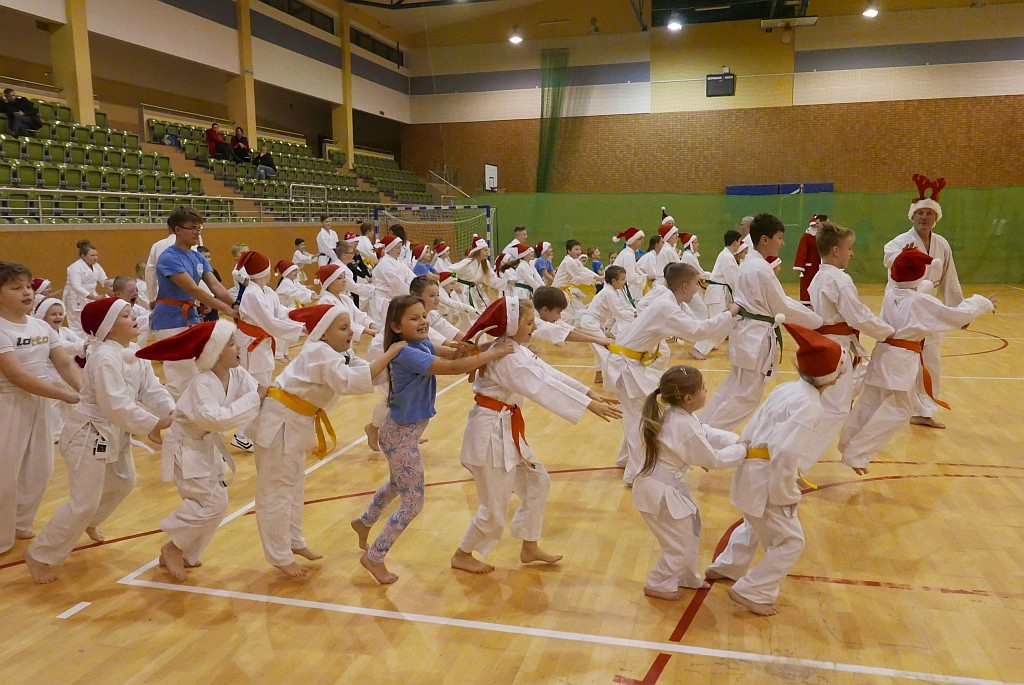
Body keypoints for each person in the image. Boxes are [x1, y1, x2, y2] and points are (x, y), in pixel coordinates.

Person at [451, 297, 622, 575]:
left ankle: (529, 545)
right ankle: (462, 553)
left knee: (537, 482)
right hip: (490, 438)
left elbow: (547, 373)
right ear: (510, 326)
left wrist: (587, 392)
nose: (534, 327)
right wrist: (587, 404)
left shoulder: (514, 349)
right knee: (494, 510)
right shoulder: (508, 356)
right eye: (529, 323)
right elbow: (540, 386)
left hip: (505, 430)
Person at [352, 296, 514, 584]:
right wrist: (492, 354)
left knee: (395, 484)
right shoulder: (407, 354)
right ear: (396, 327)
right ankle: (374, 557)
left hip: (402, 433)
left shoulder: (420, 345)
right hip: (401, 435)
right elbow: (453, 368)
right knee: (413, 503)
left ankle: (364, 522)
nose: (423, 321)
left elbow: (452, 356)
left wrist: (482, 346)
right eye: (413, 318)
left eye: (423, 315)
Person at [26, 298, 174, 583]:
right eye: (126, 315)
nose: (134, 318)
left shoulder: (132, 353)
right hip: (88, 434)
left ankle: (87, 522)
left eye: (133, 314)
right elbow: (114, 404)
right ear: (108, 327)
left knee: (124, 481)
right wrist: (152, 424)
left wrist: (171, 412)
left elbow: (151, 389)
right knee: (83, 501)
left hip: (114, 432)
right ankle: (40, 554)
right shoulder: (105, 356)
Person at [705, 324, 846, 616]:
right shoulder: (810, 407)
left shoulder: (786, 389)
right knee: (791, 542)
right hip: (768, 481)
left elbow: (755, 426)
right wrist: (785, 493)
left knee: (753, 525)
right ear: (833, 377)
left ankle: (728, 567)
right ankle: (753, 590)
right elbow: (785, 451)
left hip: (752, 470)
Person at [252, 304, 402, 577]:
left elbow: (368, 372)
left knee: (293, 487)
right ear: (323, 333)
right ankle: (278, 555)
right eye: (343, 328)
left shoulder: (338, 352)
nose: (350, 333)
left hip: (297, 423)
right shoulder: (317, 352)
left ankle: (294, 542)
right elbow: (349, 382)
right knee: (276, 492)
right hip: (279, 423)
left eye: (349, 327)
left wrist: (398, 362)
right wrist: (391, 353)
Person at [837, 247, 994, 475]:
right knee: (900, 409)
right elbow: (956, 316)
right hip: (900, 360)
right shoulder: (919, 301)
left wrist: (917, 276)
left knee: (869, 403)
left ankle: (847, 443)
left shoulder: (891, 294)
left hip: (882, 354)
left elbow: (915, 288)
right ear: (920, 274)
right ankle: (857, 453)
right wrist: (982, 303)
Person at [136, 320, 264, 581]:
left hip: (205, 445)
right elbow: (216, 419)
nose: (238, 346)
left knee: (216, 502)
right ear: (213, 353)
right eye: (230, 343)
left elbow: (260, 395)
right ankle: (173, 547)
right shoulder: (203, 382)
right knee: (210, 502)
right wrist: (256, 398)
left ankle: (184, 552)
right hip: (186, 447)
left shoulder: (237, 374)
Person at [608, 263, 739, 484]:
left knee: (639, 414)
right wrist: (730, 313)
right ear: (685, 286)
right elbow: (697, 331)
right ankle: (636, 474)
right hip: (626, 365)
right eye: (697, 283)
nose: (699, 288)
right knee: (638, 420)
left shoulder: (665, 297)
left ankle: (626, 459)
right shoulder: (666, 307)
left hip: (632, 362)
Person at [700, 213, 823, 431]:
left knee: (731, 390)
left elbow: (781, 301)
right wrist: (817, 321)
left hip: (745, 335)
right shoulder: (760, 268)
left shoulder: (750, 264)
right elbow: (782, 307)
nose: (783, 243)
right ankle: (705, 437)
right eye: (780, 237)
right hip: (754, 339)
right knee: (746, 398)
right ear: (764, 239)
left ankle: (700, 429)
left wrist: (812, 317)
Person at [633, 366, 747, 600]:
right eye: (703, 388)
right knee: (680, 544)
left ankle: (685, 576)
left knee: (692, 528)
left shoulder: (680, 415)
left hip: (667, 487)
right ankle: (658, 582)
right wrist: (743, 449)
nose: (707, 391)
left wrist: (738, 440)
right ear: (688, 398)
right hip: (659, 492)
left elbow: (704, 433)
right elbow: (713, 459)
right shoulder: (681, 425)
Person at [0, 262, 81, 555]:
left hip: (39, 401)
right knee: (5, 472)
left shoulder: (41, 326)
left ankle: (20, 521)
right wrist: (66, 396)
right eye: (15, 287)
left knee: (40, 467)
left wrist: (87, 393)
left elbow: (64, 363)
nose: (26, 293)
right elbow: (17, 376)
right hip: (7, 403)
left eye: (27, 286)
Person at [806, 222, 894, 459]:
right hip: (836, 348)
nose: (852, 253)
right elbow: (858, 316)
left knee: (829, 402)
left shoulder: (818, 277)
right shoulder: (839, 280)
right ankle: (797, 462)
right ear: (836, 250)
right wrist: (888, 332)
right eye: (849, 248)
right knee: (836, 409)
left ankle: (797, 458)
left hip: (825, 344)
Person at [882, 174, 964, 429]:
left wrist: (959, 311)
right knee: (899, 360)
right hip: (905, 308)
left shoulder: (942, 245)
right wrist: (905, 257)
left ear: (936, 218)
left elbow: (950, 278)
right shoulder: (899, 242)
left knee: (931, 361)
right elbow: (890, 260)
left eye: (930, 213)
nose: (925, 217)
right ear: (912, 216)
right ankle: (891, 406)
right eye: (921, 213)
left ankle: (924, 411)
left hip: (929, 310)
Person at [150, 206, 238, 399]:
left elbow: (214, 285)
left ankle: (191, 413)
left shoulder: (197, 256)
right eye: (192, 228)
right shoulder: (169, 257)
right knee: (180, 376)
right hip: (168, 321)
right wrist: (225, 309)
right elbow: (193, 289)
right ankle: (165, 415)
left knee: (198, 368)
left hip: (190, 318)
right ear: (177, 229)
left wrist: (235, 304)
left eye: (200, 228)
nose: (197, 232)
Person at [33, 297, 87, 443]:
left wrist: (85, 344)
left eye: (60, 313)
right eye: (53, 314)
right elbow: (63, 346)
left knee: (66, 401)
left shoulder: (65, 330)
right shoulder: (42, 333)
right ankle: (55, 432)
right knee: (53, 403)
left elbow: (76, 341)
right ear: (43, 316)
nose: (58, 317)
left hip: (65, 370)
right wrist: (81, 347)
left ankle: (67, 428)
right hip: (48, 372)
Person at [692, 230, 745, 359]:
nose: (740, 244)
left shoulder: (726, 255)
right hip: (718, 294)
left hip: (720, 293)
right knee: (719, 323)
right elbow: (732, 280)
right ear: (734, 243)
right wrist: (742, 295)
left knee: (725, 323)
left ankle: (712, 344)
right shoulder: (727, 257)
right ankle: (698, 349)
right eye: (739, 242)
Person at [580, 265, 636, 385]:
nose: (624, 282)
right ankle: (617, 379)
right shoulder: (608, 293)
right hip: (591, 323)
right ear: (614, 281)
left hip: (593, 323)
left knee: (598, 352)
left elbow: (625, 306)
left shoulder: (615, 291)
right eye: (622, 279)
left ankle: (598, 376)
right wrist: (636, 317)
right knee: (605, 350)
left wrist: (636, 313)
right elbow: (619, 312)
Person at [316, 263, 377, 343]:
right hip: (332, 344)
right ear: (329, 282)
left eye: (344, 277)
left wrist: (372, 325)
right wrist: (368, 331)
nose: (344, 280)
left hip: (345, 343)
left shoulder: (345, 298)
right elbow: (341, 325)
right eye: (339, 278)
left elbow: (359, 315)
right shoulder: (326, 301)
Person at [63, 240, 112, 335]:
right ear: (83, 256)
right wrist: (93, 297)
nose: (95, 258)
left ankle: (91, 344)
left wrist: (114, 285)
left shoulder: (96, 266)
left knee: (92, 320)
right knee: (77, 325)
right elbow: (76, 286)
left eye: (96, 255)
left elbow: (104, 280)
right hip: (75, 297)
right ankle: (78, 347)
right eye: (92, 255)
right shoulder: (74, 267)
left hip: (91, 295)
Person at [551, 240, 602, 325]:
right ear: (569, 251)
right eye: (576, 249)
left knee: (575, 312)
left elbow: (584, 270)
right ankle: (562, 332)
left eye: (579, 249)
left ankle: (572, 330)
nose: (579, 251)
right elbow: (579, 276)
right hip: (558, 291)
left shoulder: (575, 261)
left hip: (563, 291)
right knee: (567, 314)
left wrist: (598, 278)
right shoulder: (568, 261)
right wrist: (597, 278)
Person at [370, 234, 416, 326]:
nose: (400, 250)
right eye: (397, 248)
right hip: (383, 301)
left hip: (395, 298)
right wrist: (411, 293)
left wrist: (417, 286)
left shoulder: (398, 262)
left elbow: (411, 276)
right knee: (384, 330)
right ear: (389, 248)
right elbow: (395, 283)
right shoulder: (385, 263)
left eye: (400, 248)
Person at [793, 214, 825, 306]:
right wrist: (800, 265)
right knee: (808, 283)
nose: (815, 227)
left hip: (820, 265)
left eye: (817, 225)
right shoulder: (806, 237)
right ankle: (807, 300)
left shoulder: (823, 237)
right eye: (813, 226)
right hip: (809, 266)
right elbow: (802, 251)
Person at [612, 228, 649, 304]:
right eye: (640, 239)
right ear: (632, 241)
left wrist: (644, 275)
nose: (642, 242)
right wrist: (645, 278)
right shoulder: (628, 255)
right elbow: (630, 277)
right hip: (618, 290)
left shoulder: (629, 253)